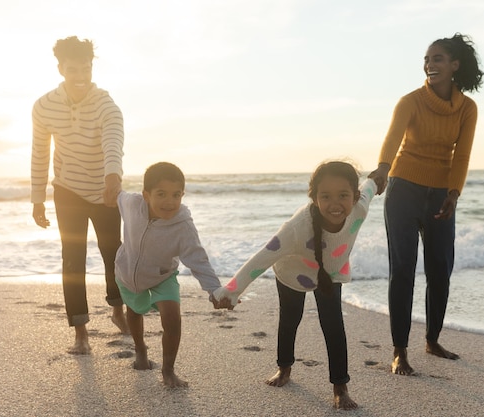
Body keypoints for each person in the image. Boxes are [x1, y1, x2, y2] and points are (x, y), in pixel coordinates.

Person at [214, 161, 378, 410]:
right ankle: (284, 368)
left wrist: (380, 176)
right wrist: (232, 291)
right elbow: (261, 258)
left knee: (333, 325)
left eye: (343, 195)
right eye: (326, 196)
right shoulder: (296, 229)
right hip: (293, 271)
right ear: (314, 198)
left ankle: (340, 388)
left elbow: (370, 186)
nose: (335, 204)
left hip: (329, 272)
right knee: (291, 319)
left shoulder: (359, 208)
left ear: (354, 196)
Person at [368, 33, 484, 376]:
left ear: (454, 65)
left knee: (440, 269)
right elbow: (393, 138)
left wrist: (454, 193)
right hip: (404, 190)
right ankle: (399, 351)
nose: (430, 65)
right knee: (402, 270)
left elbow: (461, 154)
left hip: (440, 195)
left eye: (437, 59)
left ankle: (432, 340)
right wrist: (384, 169)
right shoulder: (411, 101)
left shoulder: (467, 109)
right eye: (427, 59)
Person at [31, 36, 129, 355]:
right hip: (67, 190)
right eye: (73, 69)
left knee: (113, 252)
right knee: (72, 259)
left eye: (85, 68)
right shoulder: (44, 107)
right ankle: (81, 332)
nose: (81, 76)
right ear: (61, 69)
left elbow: (113, 142)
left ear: (91, 67)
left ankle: (117, 309)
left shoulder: (105, 104)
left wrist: (112, 179)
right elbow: (39, 153)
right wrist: (37, 198)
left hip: (104, 189)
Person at [115, 162, 233, 388]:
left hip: (163, 275)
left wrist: (214, 290)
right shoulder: (132, 204)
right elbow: (117, 196)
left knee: (172, 319)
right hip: (128, 271)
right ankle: (140, 350)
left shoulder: (183, 225)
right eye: (161, 194)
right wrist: (109, 186)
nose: (170, 202)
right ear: (146, 195)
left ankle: (168, 370)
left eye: (176, 195)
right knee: (134, 310)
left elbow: (198, 259)